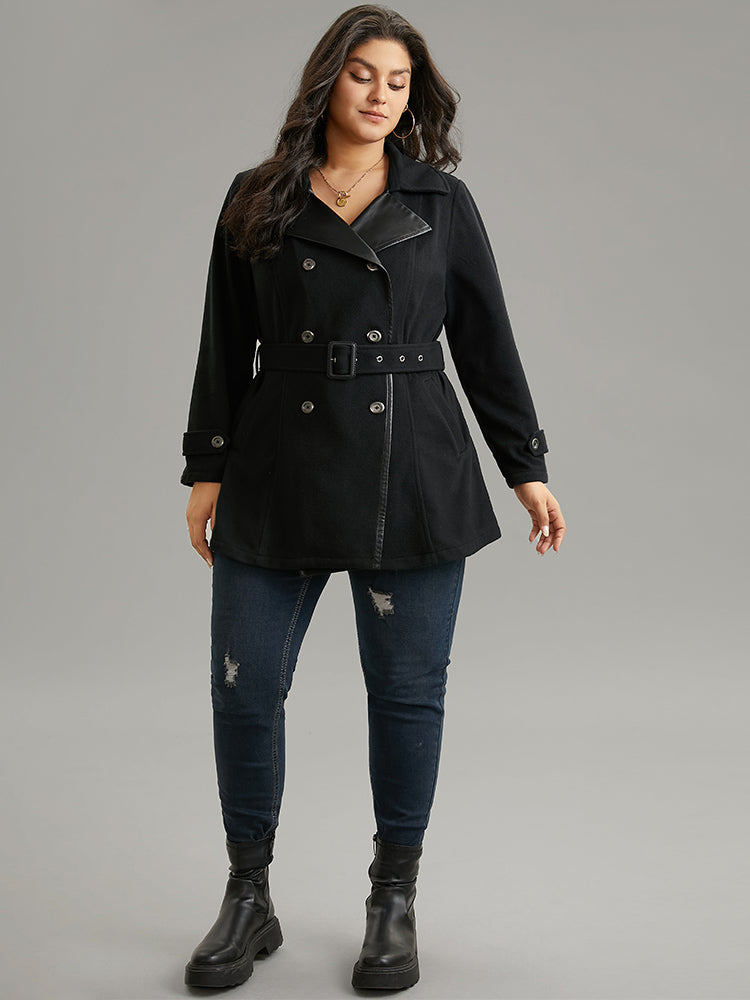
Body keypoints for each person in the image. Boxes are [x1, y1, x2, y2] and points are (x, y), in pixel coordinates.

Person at [180, 3, 566, 991]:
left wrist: (525, 465)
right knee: (243, 686)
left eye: (399, 82)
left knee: (406, 694)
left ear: (413, 96)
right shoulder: (258, 196)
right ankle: (248, 895)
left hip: (413, 472)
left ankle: (393, 899)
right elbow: (225, 340)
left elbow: (485, 339)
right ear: (328, 81)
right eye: (364, 75)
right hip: (278, 467)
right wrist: (206, 467)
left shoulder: (441, 201)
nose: (381, 95)